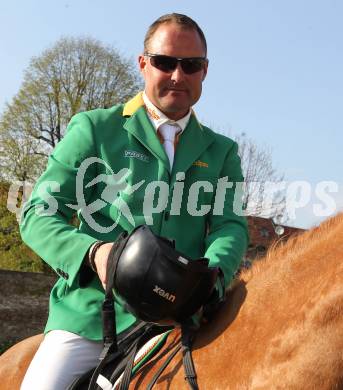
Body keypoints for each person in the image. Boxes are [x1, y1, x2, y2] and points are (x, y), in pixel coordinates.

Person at [20, 13, 249, 389]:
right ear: (143, 64)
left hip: (179, 321)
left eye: (190, 65)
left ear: (204, 71)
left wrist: (213, 278)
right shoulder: (95, 128)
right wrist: (93, 253)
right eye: (165, 62)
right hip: (89, 318)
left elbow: (229, 224)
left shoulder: (222, 151)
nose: (178, 75)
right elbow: (37, 213)